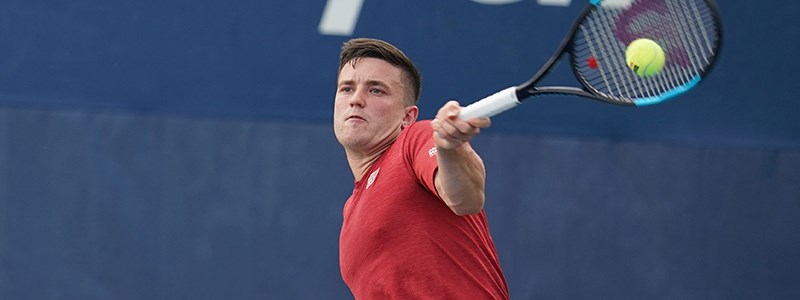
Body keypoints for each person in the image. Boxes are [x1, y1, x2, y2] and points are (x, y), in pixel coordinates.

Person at [333, 38, 509, 299]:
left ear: (407, 117)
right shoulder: (351, 211)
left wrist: (450, 147)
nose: (356, 99)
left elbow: (466, 199)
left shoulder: (415, 138)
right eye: (347, 89)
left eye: (376, 90)